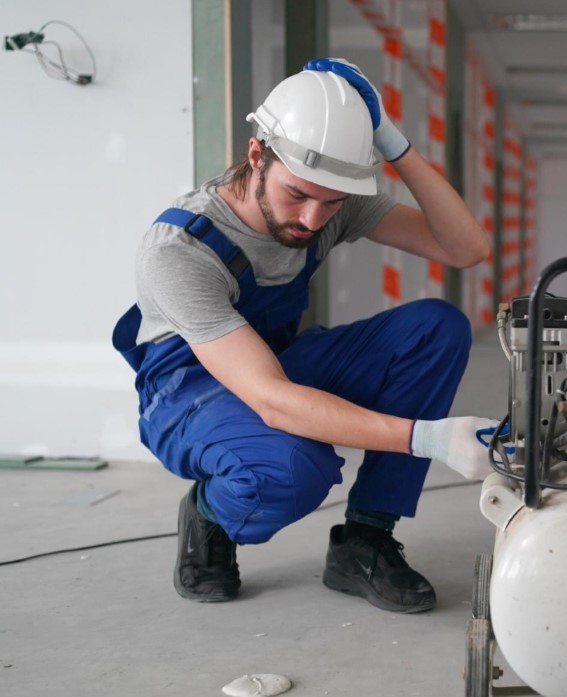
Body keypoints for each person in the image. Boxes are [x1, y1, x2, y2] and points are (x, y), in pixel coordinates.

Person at [112, 58, 497, 614]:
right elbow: (271, 398)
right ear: (256, 155)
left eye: (332, 202)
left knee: (435, 329)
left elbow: (466, 249)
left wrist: (392, 142)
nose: (314, 219)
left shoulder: (330, 205)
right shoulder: (179, 251)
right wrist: (429, 439)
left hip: (272, 361)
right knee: (294, 468)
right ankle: (210, 514)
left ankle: (365, 540)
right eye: (296, 195)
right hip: (189, 396)